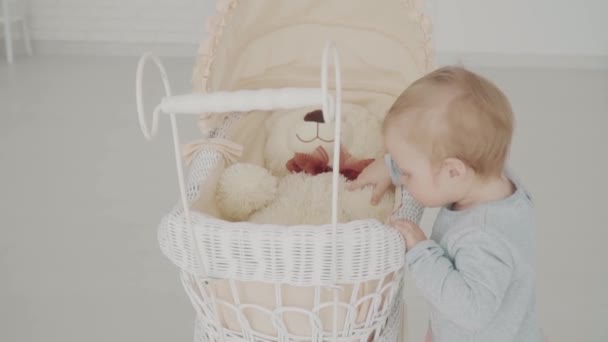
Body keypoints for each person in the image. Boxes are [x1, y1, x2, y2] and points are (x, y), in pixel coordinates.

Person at [349, 66, 544, 341]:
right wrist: (391, 167)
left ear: (453, 171)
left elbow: (472, 311)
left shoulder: (483, 237)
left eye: (408, 171)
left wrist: (421, 252)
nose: (403, 177)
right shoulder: (490, 175)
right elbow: (431, 154)